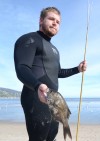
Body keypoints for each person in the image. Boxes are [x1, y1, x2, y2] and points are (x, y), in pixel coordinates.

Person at [14, 6, 87, 141]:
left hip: (53, 100)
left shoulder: (55, 50)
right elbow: (22, 68)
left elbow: (57, 72)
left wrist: (78, 69)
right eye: (51, 19)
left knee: (51, 137)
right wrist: (37, 86)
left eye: (58, 22)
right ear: (41, 20)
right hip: (35, 97)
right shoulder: (29, 39)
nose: (55, 23)